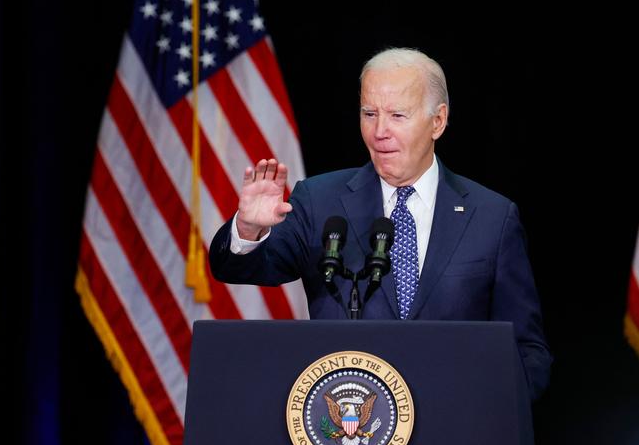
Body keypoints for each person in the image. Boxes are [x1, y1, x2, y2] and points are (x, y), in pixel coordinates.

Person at [209, 47, 551, 401]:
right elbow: (243, 268)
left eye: (397, 115)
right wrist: (248, 230)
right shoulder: (319, 200)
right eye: (369, 113)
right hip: (350, 426)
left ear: (438, 121)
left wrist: (489, 413)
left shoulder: (492, 217)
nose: (379, 131)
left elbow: (527, 350)